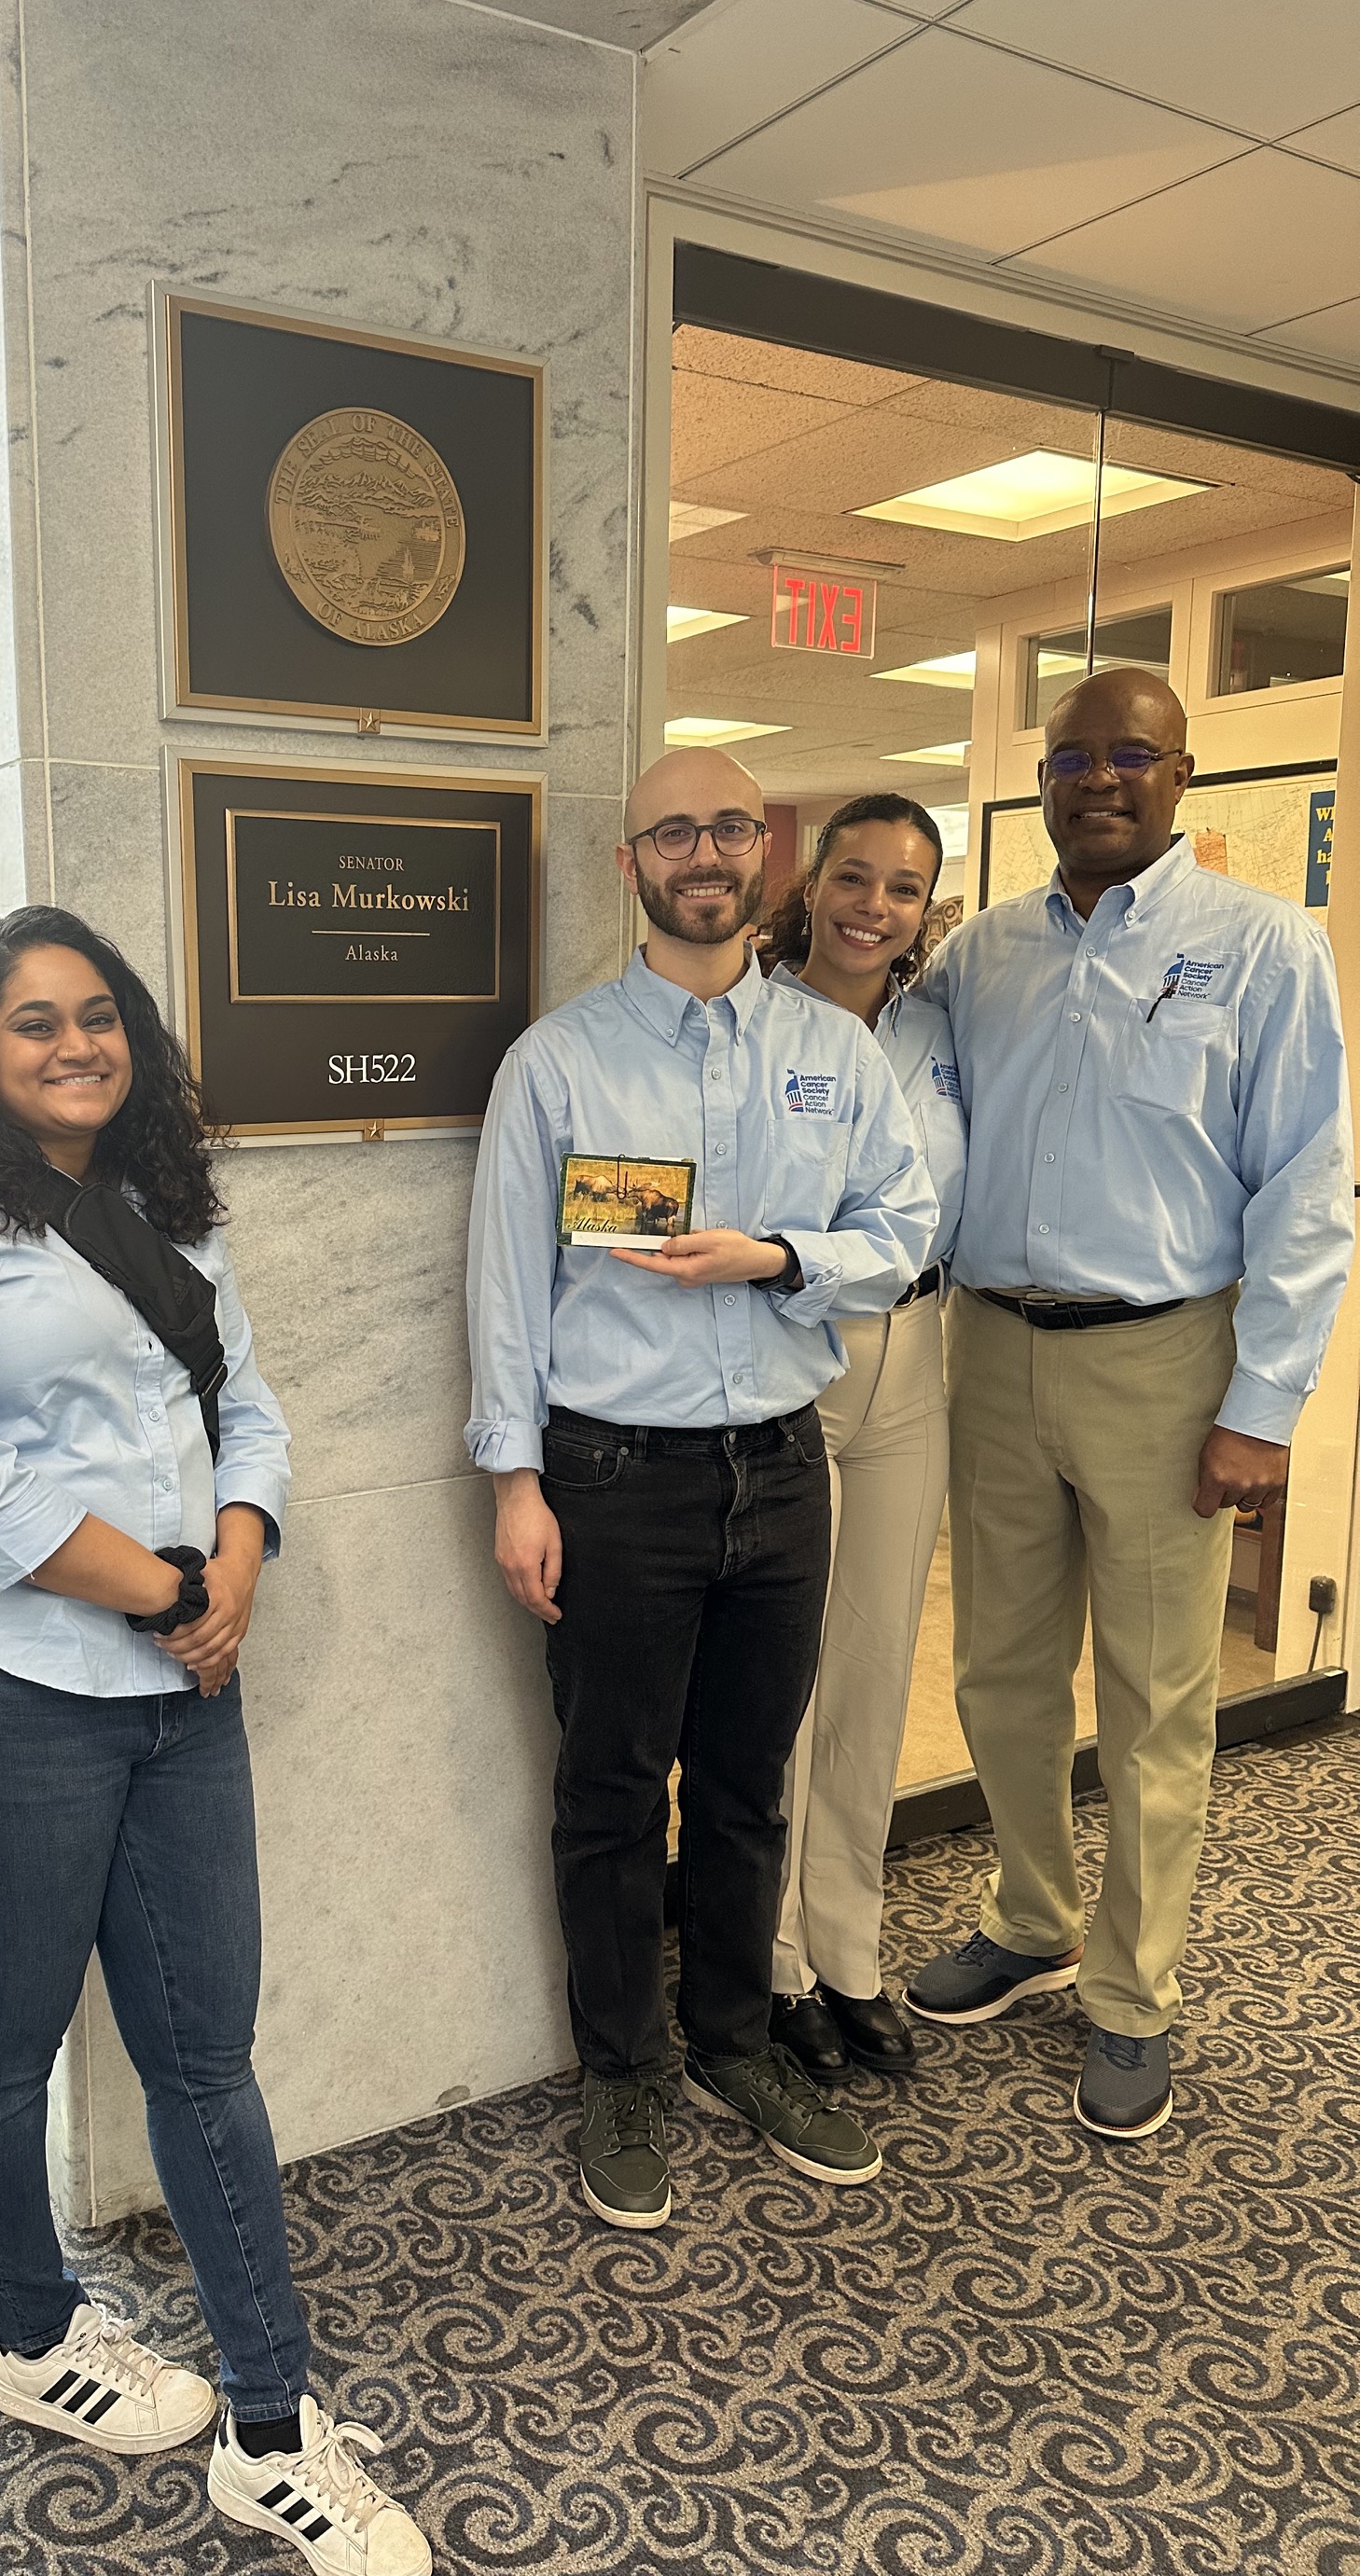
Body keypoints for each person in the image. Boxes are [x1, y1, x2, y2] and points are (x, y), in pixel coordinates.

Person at [0, 906, 430, 2576]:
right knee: (7, 2050)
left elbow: (247, 1407)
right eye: (33, 1023)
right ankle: (33, 2341)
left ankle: (266, 2417)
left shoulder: (162, 1200)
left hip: (178, 1683)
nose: (76, 1044)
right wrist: (170, 1594)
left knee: (203, 2058)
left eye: (100, 1016)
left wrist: (232, 1563)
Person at [465, 747, 937, 2230]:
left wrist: (779, 1259)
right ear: (633, 866)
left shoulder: (831, 1053)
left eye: (732, 825)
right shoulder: (559, 1061)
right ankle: (624, 2068)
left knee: (747, 1784)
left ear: (763, 855)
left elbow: (903, 1222)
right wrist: (512, 1481)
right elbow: (503, 1290)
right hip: (612, 1474)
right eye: (675, 830)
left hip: (783, 1473)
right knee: (610, 1790)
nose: (706, 851)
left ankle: (734, 2041)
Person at [905, 668, 1353, 2140]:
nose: (1097, 779)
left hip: (1169, 1358)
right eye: (1071, 757)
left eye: (1130, 756)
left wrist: (1264, 1404)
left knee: (1158, 1695)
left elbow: (1305, 1186)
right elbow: (907, 1106)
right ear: (1039, 778)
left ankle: (1130, 1995)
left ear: (1180, 774)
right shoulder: (980, 955)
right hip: (992, 1345)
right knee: (999, 1668)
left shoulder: (1265, 945)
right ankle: (1028, 1919)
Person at [761, 795, 966, 2082]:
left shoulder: (941, 1026)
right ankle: (770, 1960)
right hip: (792, 1355)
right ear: (811, 882)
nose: (871, 906)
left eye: (901, 887)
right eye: (852, 876)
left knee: (878, 1664)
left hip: (920, 1354)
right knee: (785, 1676)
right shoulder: (751, 1019)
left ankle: (847, 1946)